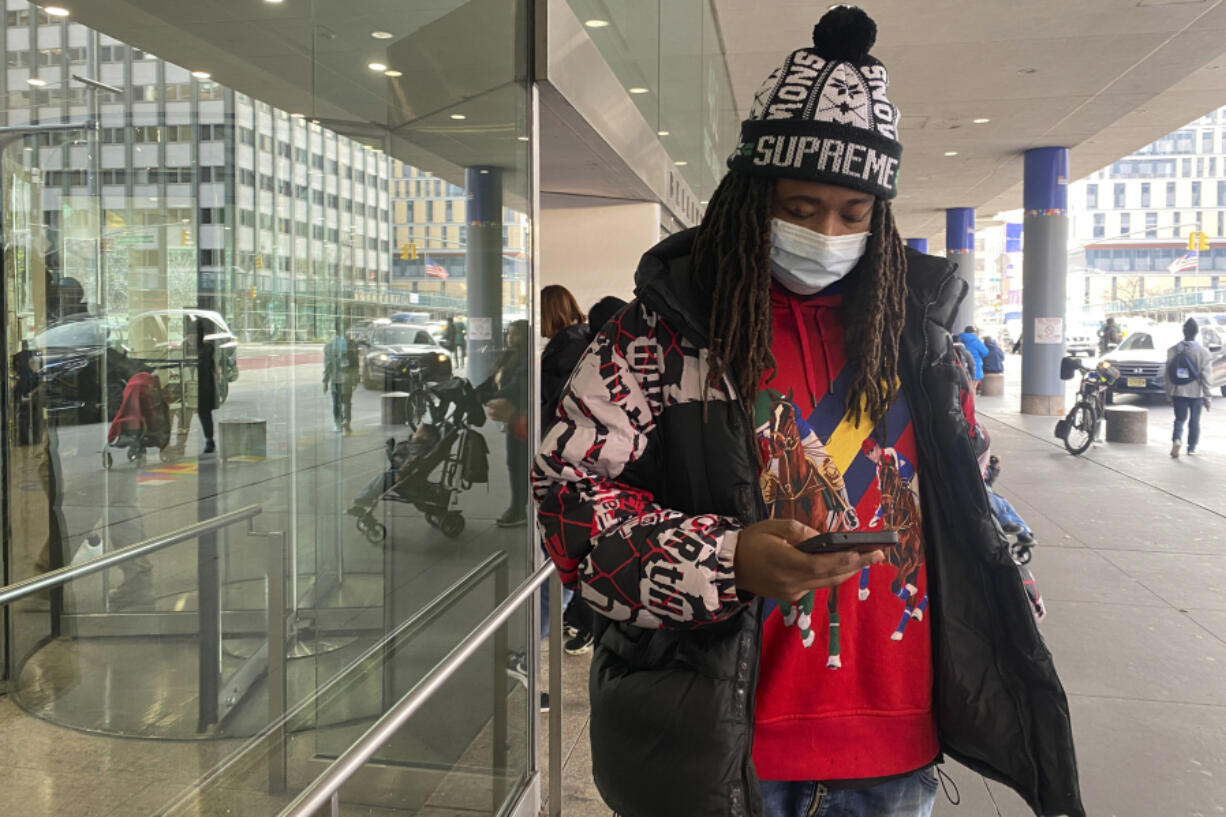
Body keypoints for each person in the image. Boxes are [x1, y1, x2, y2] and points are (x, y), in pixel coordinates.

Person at [532, 8, 1083, 817]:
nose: (826, 232)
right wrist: (727, 560)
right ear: (751, 196)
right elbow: (567, 498)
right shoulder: (661, 333)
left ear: (880, 215)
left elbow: (976, 493)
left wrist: (1009, 605)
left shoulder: (919, 340)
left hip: (897, 758)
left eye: (853, 214)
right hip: (720, 754)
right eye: (800, 206)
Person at [481, 319, 529, 527]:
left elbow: (520, 384)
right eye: (509, 333)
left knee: (519, 464)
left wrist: (494, 396)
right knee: (514, 463)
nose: (510, 338)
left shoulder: (527, 358)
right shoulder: (509, 356)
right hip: (511, 418)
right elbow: (494, 380)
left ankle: (518, 509)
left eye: (515, 334)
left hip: (523, 417)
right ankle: (518, 507)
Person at [348, 423, 441, 517]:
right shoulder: (416, 445)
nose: (414, 433)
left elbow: (412, 461)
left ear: (424, 437)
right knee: (377, 480)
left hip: (402, 475)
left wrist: (401, 471)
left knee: (382, 479)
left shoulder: (419, 447)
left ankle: (363, 501)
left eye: (417, 432)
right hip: (400, 472)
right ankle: (362, 501)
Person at [1166, 316, 1212, 458]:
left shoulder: (1173, 350)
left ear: (1183, 332)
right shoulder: (1203, 352)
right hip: (1196, 392)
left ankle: (1177, 440)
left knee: (1179, 419)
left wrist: (1169, 393)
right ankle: (1192, 448)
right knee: (1194, 420)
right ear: (1196, 333)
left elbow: (1168, 373)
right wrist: (1208, 396)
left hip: (1178, 391)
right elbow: (1206, 376)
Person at [323, 321, 359, 433]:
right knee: (347, 401)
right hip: (347, 377)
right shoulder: (352, 344)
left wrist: (325, 381)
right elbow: (355, 363)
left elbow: (328, 364)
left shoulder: (329, 345)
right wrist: (356, 378)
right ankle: (347, 422)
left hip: (336, 378)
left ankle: (338, 424)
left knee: (336, 402)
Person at [958, 325, 989, 389]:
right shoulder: (976, 340)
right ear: (973, 332)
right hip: (975, 365)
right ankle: (972, 399)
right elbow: (985, 352)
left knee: (963, 389)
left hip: (962, 365)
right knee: (973, 388)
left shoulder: (959, 339)